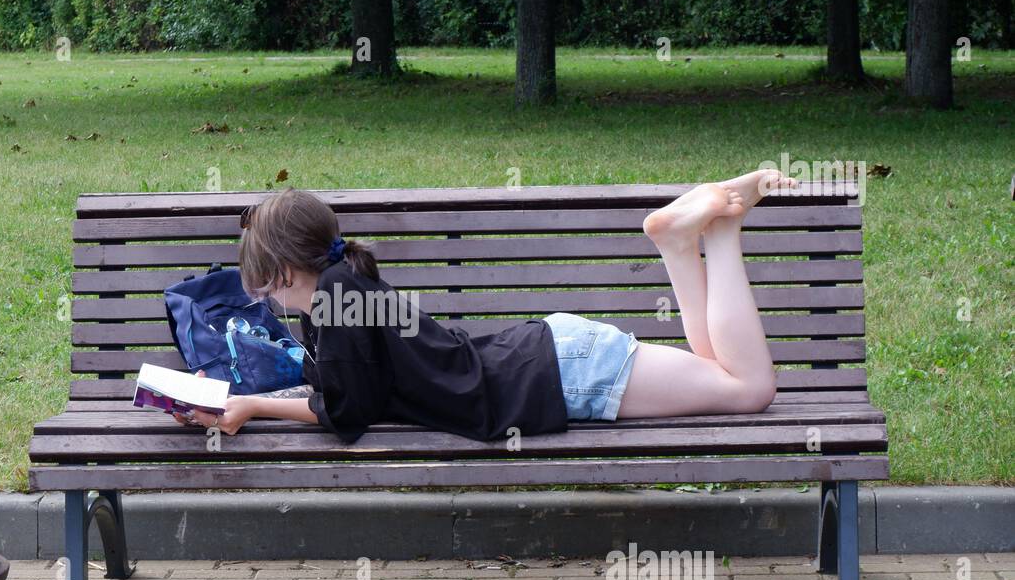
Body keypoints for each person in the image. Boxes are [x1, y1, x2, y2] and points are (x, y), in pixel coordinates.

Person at [174, 171, 796, 441]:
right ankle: (679, 243)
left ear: (283, 270)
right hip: (556, 360)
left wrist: (253, 405)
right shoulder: (341, 293)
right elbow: (332, 385)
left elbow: (346, 413)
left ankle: (717, 235)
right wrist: (231, 395)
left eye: (261, 284)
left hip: (564, 374)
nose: (260, 298)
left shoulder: (338, 301)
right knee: (719, 371)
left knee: (747, 389)